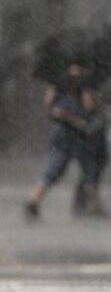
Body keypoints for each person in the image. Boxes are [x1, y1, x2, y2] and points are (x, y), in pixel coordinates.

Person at [24, 62, 104, 220]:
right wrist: (76, 119)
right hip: (71, 136)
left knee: (85, 169)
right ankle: (34, 201)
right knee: (63, 170)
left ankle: (92, 203)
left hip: (74, 136)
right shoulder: (66, 86)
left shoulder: (71, 86)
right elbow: (58, 110)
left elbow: (56, 107)